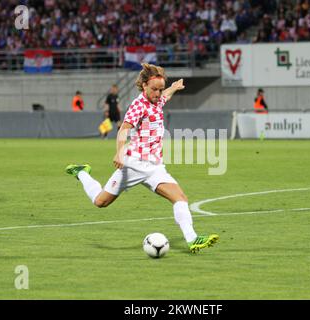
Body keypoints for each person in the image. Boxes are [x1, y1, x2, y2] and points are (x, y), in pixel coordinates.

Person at [65, 63, 219, 253]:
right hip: (133, 165)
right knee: (100, 202)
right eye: (154, 89)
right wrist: (120, 152)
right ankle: (82, 173)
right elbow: (124, 129)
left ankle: (193, 239)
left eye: (160, 89)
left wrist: (174, 88)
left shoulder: (158, 99)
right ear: (144, 85)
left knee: (180, 198)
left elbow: (165, 96)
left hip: (155, 167)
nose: (158, 93)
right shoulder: (139, 105)